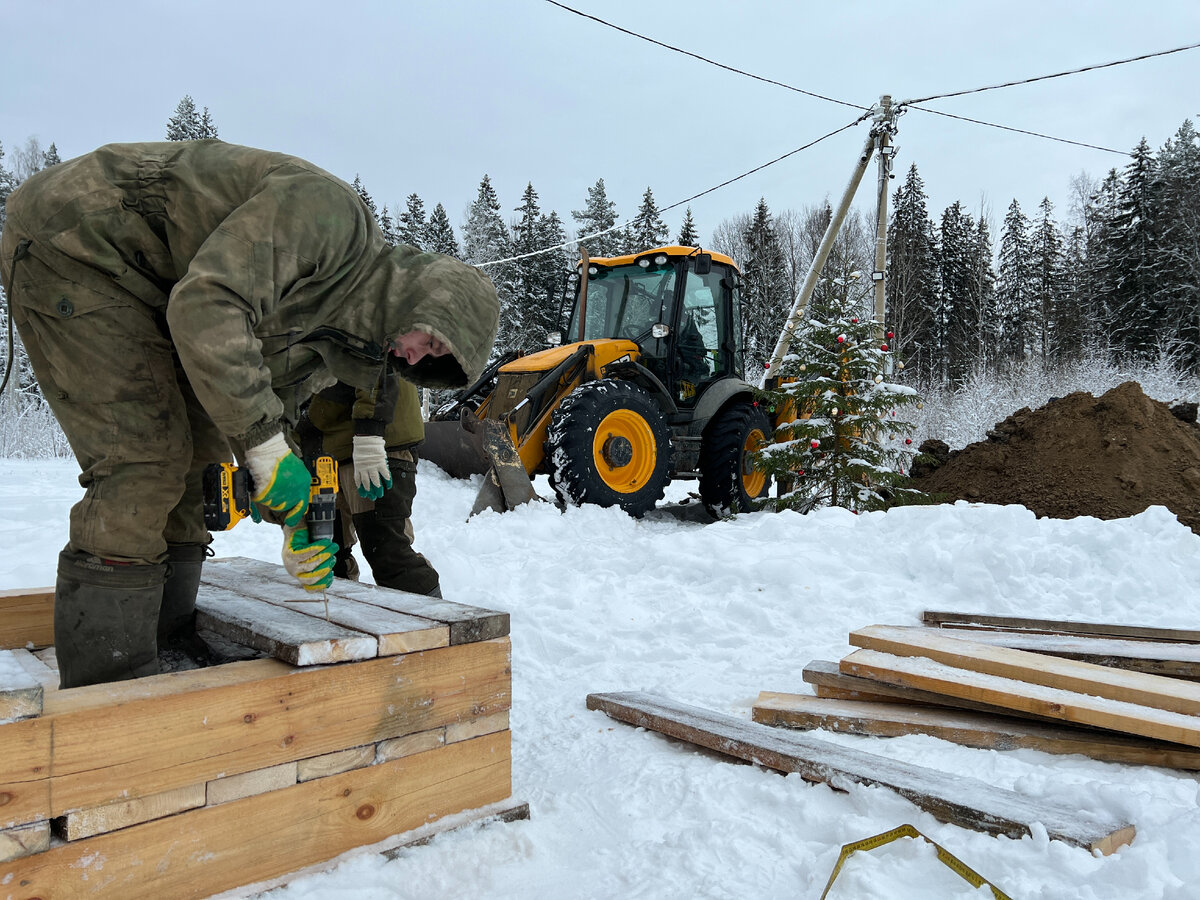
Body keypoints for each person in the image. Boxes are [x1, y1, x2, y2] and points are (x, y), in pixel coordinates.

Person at [0, 140, 499, 689]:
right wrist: (264, 448)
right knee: (143, 461)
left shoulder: (332, 342)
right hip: (80, 240)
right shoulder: (328, 218)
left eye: (428, 360)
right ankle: (112, 688)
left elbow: (261, 412)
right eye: (427, 338)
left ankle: (166, 641)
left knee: (201, 461)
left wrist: (292, 519)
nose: (412, 357)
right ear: (419, 293)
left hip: (154, 290)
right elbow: (206, 305)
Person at [297, 373, 442, 597]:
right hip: (322, 446)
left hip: (375, 439)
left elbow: (378, 356)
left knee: (387, 552)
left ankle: (436, 624)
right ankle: (342, 624)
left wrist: (370, 431)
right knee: (326, 556)